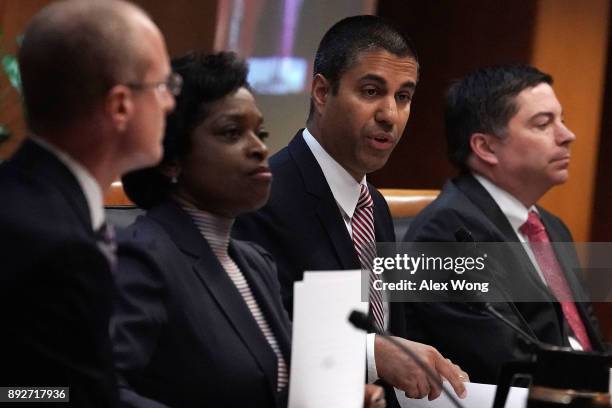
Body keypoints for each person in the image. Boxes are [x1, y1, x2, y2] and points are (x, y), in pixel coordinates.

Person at [234, 15, 468, 403]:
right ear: (322, 93)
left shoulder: (373, 206)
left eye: (403, 96)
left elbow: (389, 332)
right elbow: (256, 339)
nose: (390, 115)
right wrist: (371, 354)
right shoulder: (262, 196)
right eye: (372, 90)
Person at [0, 1, 175, 406]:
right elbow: (39, 397)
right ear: (119, 105)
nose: (169, 103)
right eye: (163, 86)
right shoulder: (57, 246)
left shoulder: (25, 195)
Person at [402, 64, 606, 383]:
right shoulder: (447, 235)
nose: (568, 136)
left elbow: (582, 343)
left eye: (562, 120)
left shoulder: (551, 227)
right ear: (485, 147)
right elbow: (505, 361)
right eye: (543, 124)